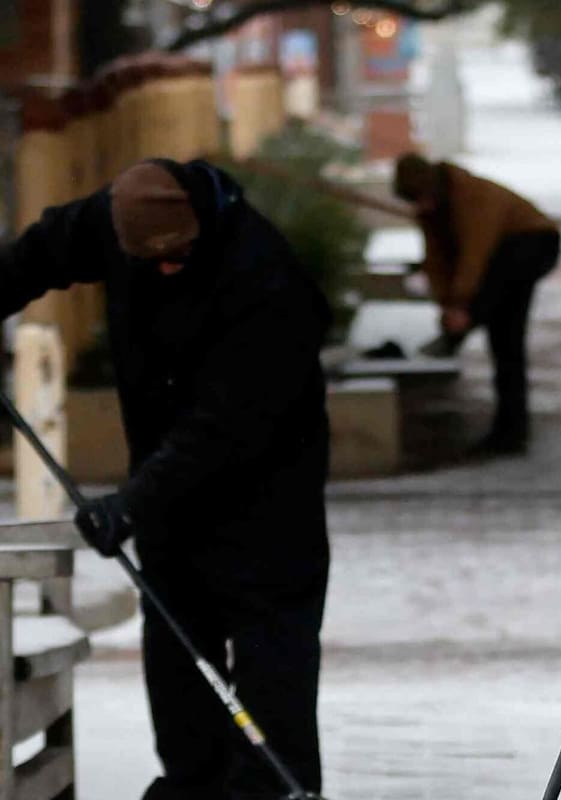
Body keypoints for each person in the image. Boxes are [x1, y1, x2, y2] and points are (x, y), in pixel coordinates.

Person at [0, 158, 331, 800]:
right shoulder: (116, 219)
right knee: (177, 655)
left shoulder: (264, 279)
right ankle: (192, 783)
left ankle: (272, 790)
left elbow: (224, 427)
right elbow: (38, 255)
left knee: (272, 667)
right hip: (169, 496)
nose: (165, 271)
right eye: (150, 263)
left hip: (267, 497)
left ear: (200, 227)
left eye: (178, 257)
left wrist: (130, 503)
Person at [392, 152, 561, 455]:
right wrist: (446, 304)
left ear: (431, 188)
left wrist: (462, 306)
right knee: (503, 340)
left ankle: (459, 334)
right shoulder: (431, 208)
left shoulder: (471, 197)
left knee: (505, 335)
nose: (421, 207)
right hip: (500, 255)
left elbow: (475, 254)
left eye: (422, 199)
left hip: (533, 242)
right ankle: (509, 431)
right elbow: (437, 261)